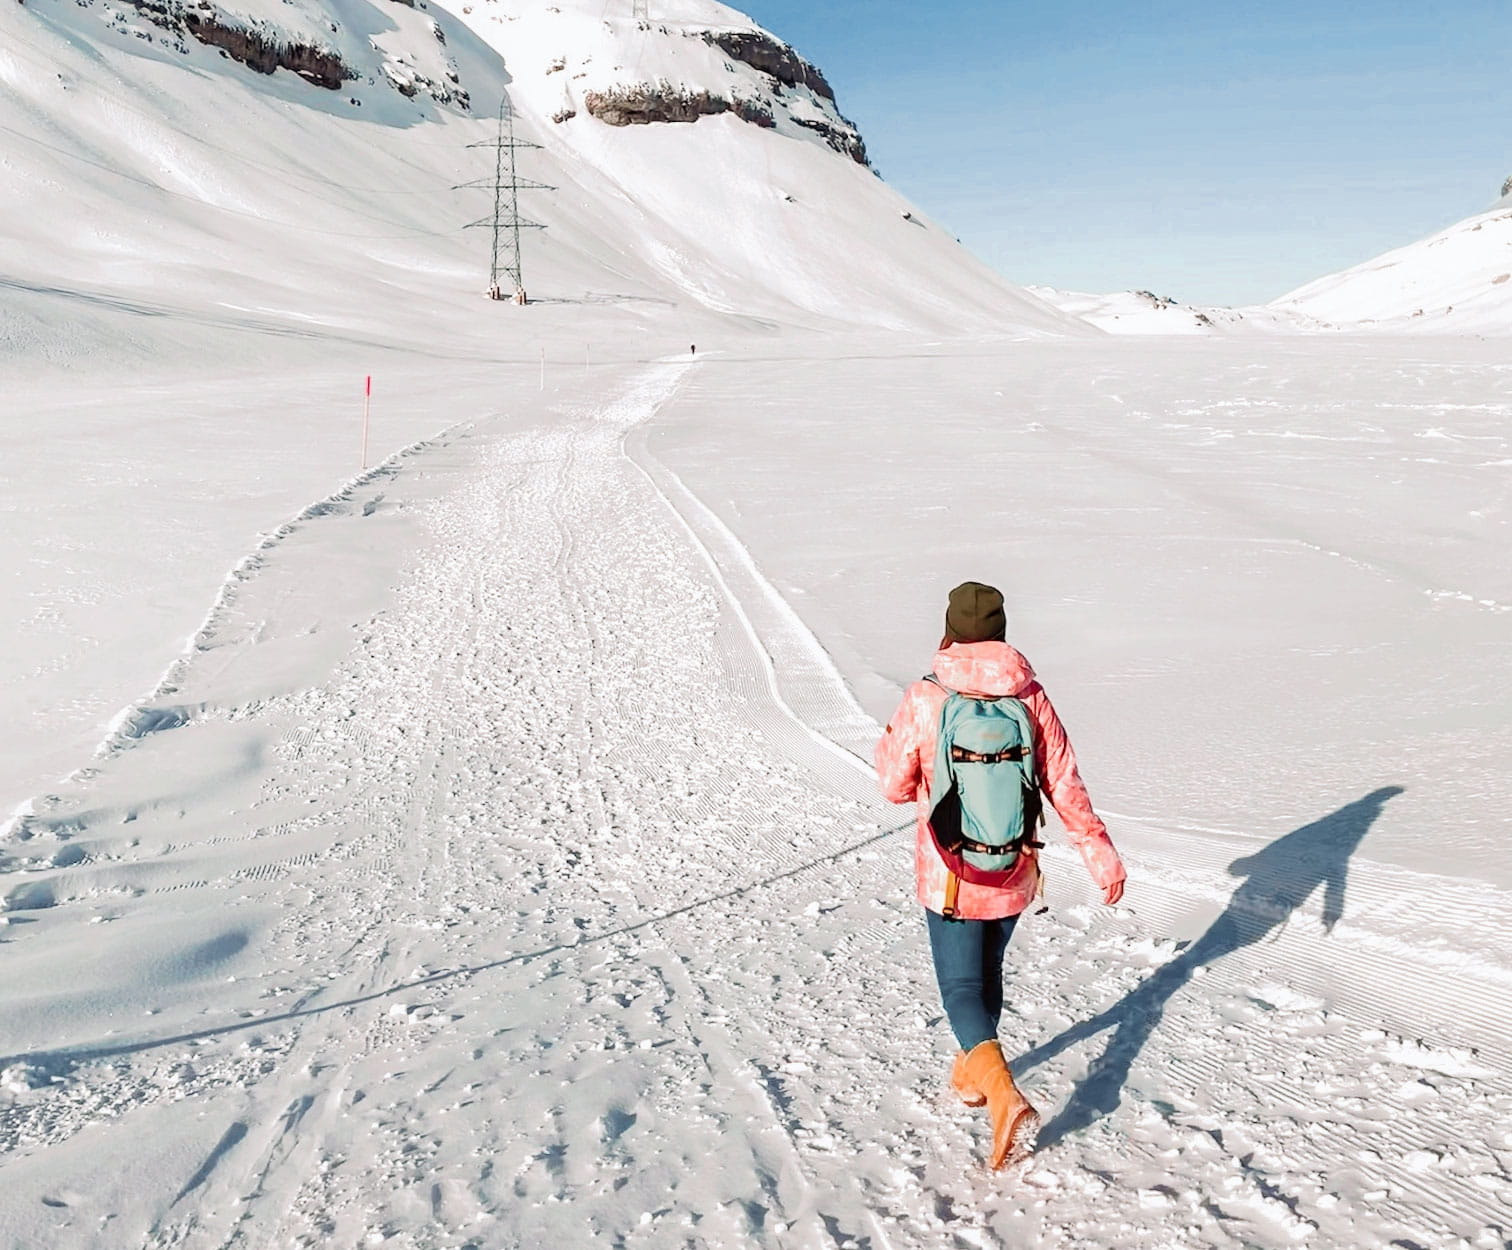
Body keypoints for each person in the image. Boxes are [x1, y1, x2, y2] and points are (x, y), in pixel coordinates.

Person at [874, 581, 1126, 1170]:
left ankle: (1003, 1096)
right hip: (1013, 867)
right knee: (986, 972)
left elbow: (891, 786)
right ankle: (971, 1076)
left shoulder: (926, 696)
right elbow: (1063, 782)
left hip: (951, 872)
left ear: (950, 630)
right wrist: (1099, 852)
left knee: (960, 989)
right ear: (1001, 631)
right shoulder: (1029, 695)